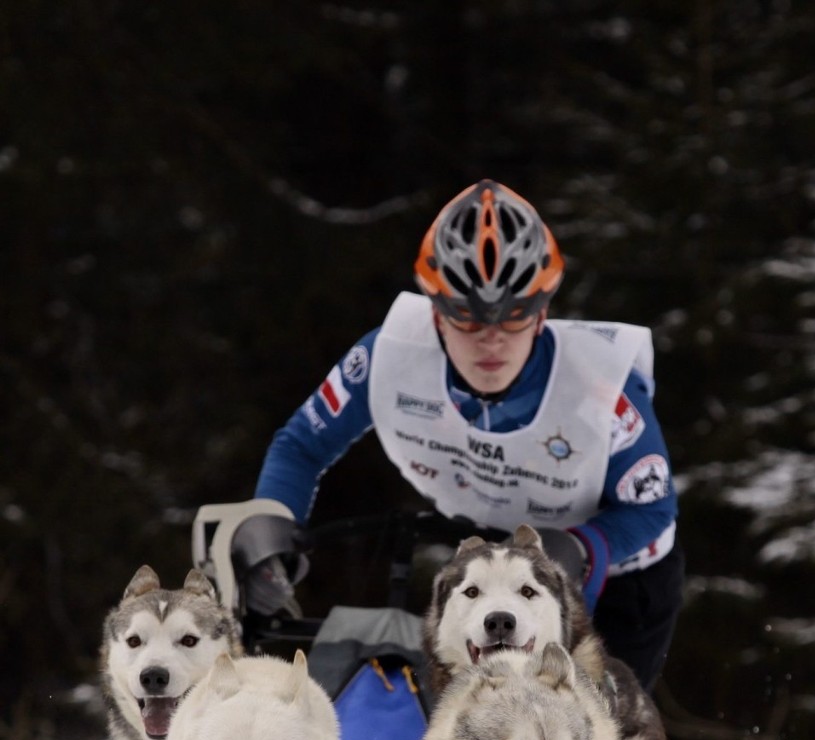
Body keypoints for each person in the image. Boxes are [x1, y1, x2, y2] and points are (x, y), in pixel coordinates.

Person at [250, 179, 683, 690]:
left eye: (514, 316)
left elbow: (654, 508)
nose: (492, 340)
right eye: (468, 318)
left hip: (616, 577)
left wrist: (584, 547)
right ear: (436, 313)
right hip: (492, 568)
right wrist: (270, 526)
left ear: (542, 312)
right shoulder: (387, 357)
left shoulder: (604, 386)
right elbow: (301, 444)